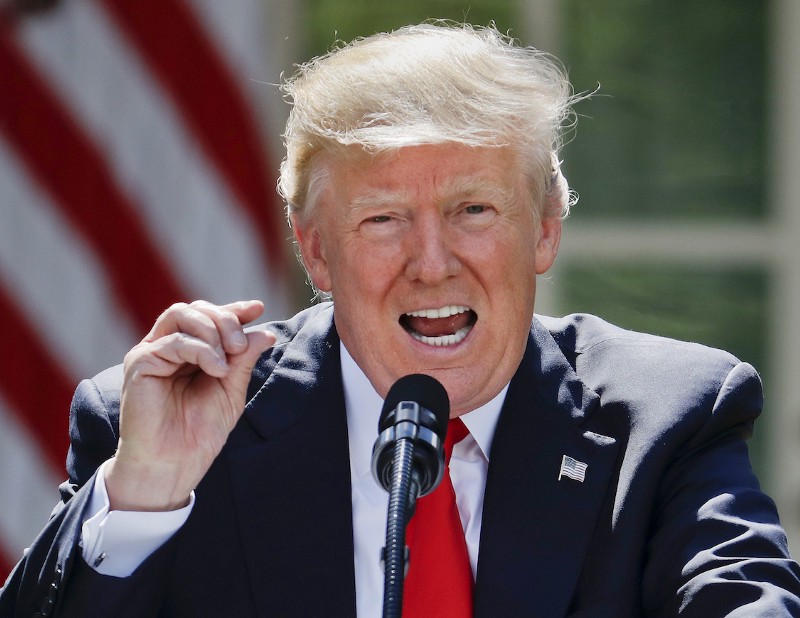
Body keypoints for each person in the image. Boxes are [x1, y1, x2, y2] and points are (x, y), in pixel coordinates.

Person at [2, 21, 800, 617]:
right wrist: (144, 494)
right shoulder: (176, 426)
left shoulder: (667, 417)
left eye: (473, 209)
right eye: (383, 220)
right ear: (317, 254)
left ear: (545, 229)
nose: (432, 262)